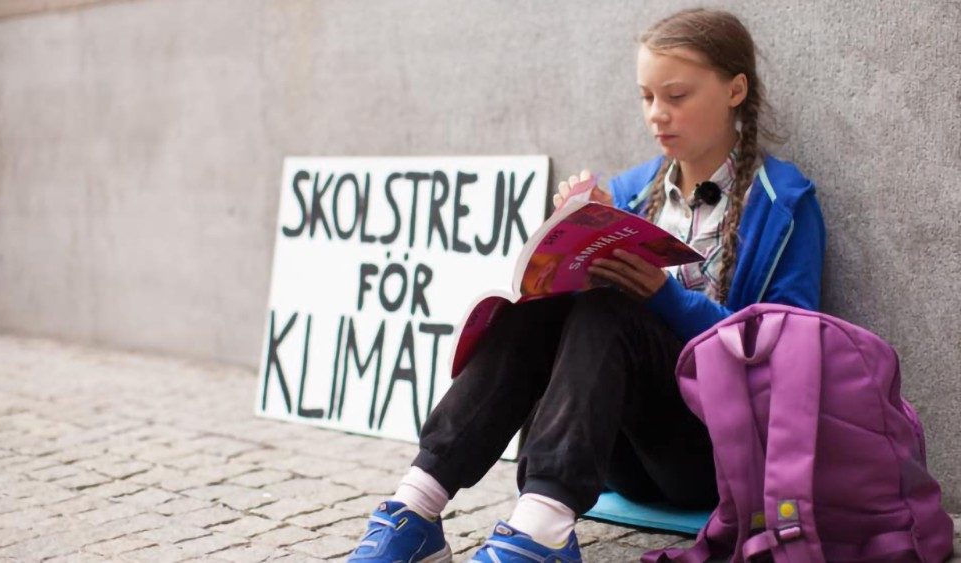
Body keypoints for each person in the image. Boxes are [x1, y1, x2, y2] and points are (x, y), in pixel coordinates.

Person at [348, 8, 825, 563]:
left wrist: (666, 297)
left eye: (676, 96)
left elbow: (789, 356)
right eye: (646, 97)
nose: (657, 114)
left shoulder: (785, 203)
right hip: (614, 454)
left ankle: (543, 530)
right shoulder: (629, 192)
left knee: (614, 310)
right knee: (538, 307)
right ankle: (417, 505)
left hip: (711, 455)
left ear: (735, 90)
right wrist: (568, 248)